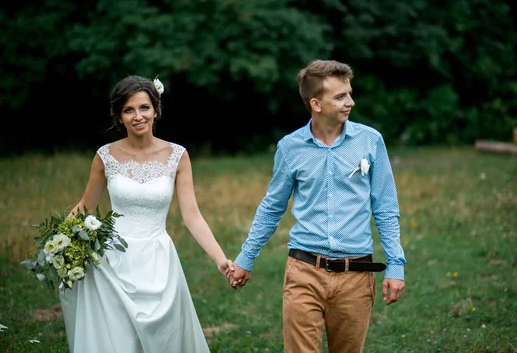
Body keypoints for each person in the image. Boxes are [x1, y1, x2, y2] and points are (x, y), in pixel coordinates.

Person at [228, 59, 407, 353]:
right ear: (316, 103)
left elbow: (385, 208)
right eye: (340, 96)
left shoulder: (370, 141)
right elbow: (273, 207)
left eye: (349, 93)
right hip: (304, 271)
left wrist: (396, 266)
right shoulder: (290, 147)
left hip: (356, 275)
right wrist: (246, 258)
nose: (350, 102)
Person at [59, 75, 233, 353]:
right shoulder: (105, 156)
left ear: (156, 110)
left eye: (144, 108)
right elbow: (84, 206)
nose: (138, 116)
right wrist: (58, 245)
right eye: (129, 110)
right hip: (111, 262)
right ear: (119, 116)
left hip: (158, 261)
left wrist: (220, 258)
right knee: (118, 341)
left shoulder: (177, 156)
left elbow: (192, 215)